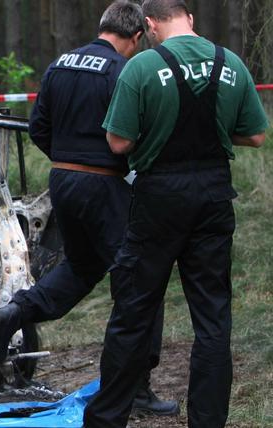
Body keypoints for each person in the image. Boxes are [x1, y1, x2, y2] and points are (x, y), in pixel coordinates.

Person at [0, 1, 176, 416]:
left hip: (63, 180)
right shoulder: (123, 71)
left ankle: (15, 312)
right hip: (105, 185)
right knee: (141, 281)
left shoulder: (60, 64)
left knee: (81, 266)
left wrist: (68, 160)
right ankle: (136, 388)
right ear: (137, 36)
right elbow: (133, 134)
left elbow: (38, 126)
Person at [82, 0, 268, 426]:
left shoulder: (143, 67)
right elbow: (256, 135)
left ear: (148, 24)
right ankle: (208, 421)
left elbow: (117, 143)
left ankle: (108, 418)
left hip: (159, 199)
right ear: (190, 19)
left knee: (134, 310)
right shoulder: (232, 64)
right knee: (212, 318)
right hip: (214, 198)